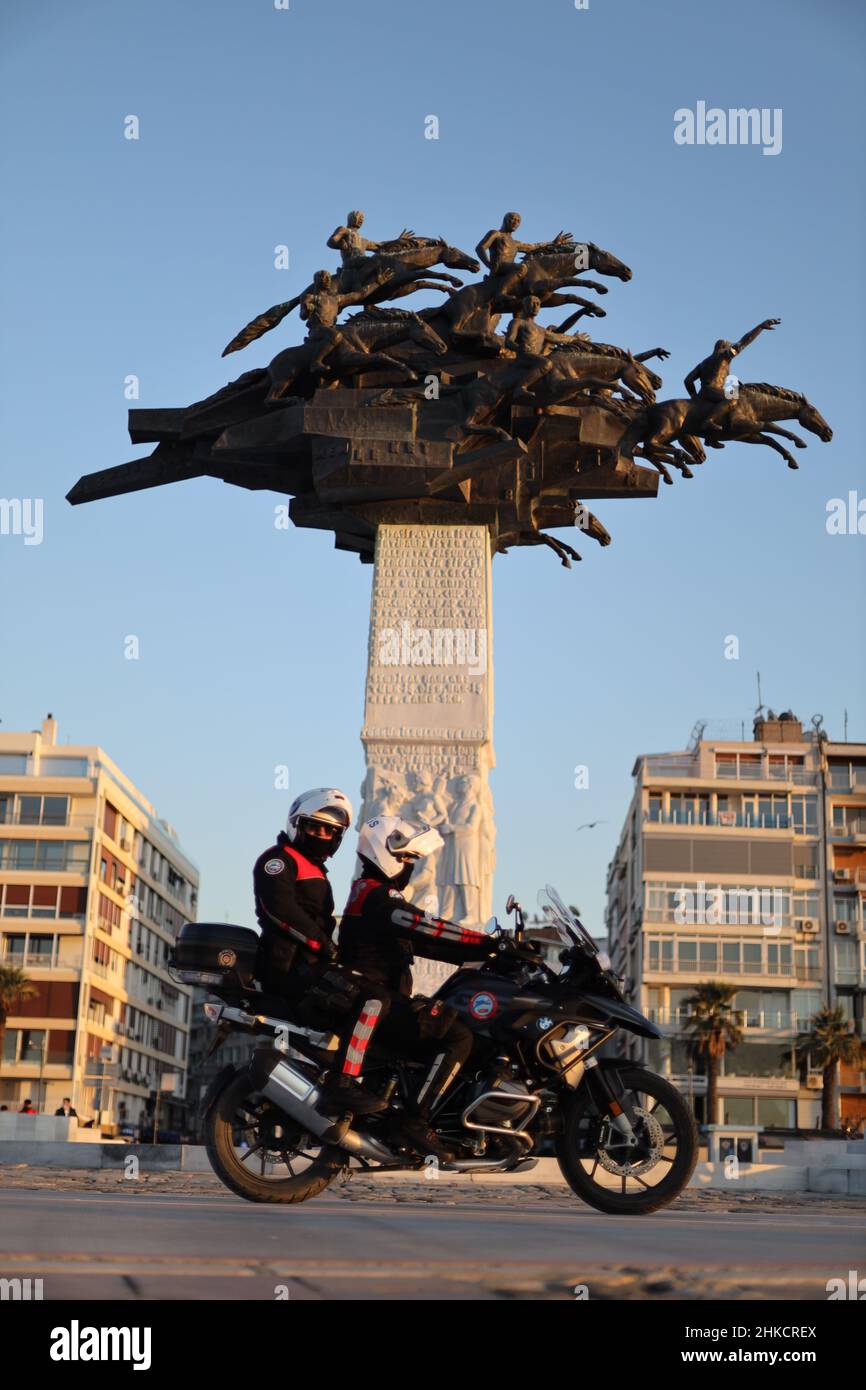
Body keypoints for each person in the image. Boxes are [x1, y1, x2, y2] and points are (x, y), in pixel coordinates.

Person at [324, 816, 491, 1161]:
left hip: (379, 999)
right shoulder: (377, 897)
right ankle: (415, 1120)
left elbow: (429, 945)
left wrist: (481, 951)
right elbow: (423, 926)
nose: (410, 868)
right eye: (407, 860)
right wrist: (487, 941)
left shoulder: (369, 893)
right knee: (457, 1036)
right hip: (372, 998)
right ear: (388, 856)